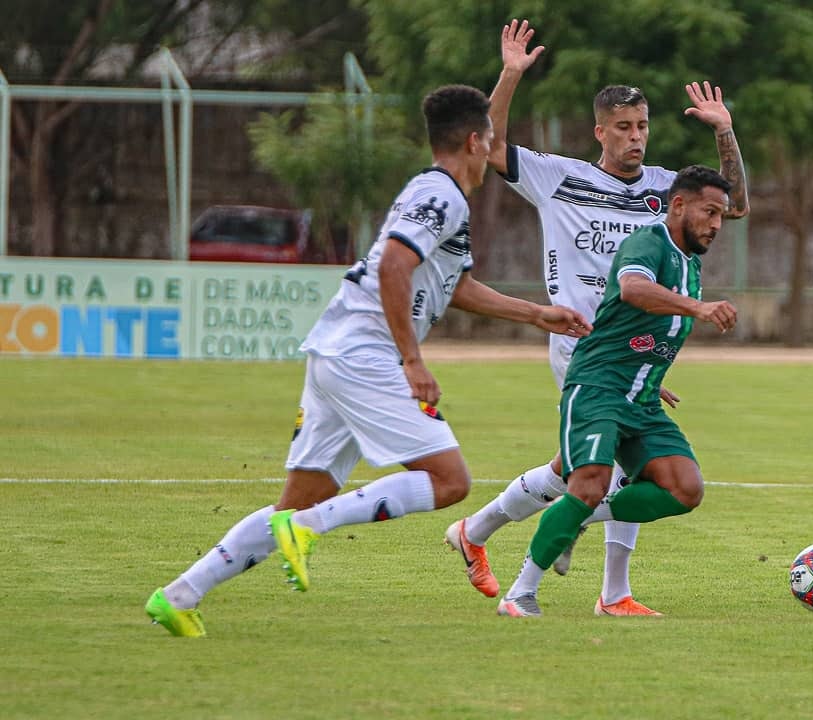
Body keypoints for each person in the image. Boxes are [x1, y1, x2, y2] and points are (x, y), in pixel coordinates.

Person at [144, 83, 592, 637]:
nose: (493, 148)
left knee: (296, 501)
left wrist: (536, 314)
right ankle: (307, 528)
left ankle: (181, 593)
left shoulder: (440, 195)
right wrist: (411, 360)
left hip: (337, 349)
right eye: (491, 138)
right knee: (450, 481)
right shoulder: (442, 195)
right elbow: (393, 267)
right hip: (365, 353)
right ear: (476, 141)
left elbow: (456, 285)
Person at [444, 19, 749, 616]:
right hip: (577, 337)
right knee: (599, 471)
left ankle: (477, 531)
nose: (636, 138)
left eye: (643, 127)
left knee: (573, 472)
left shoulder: (668, 192)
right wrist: (509, 75)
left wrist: (724, 134)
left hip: (636, 343)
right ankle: (609, 591)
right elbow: (493, 145)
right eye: (624, 128)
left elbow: (732, 204)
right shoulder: (562, 178)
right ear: (600, 132)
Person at [496, 164, 737, 617]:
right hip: (598, 386)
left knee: (685, 489)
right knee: (588, 481)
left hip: (641, 398)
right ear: (679, 205)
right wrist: (699, 308)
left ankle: (578, 517)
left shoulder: (689, 260)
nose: (717, 224)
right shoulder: (649, 242)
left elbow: (648, 330)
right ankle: (520, 593)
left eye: (721, 215)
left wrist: (725, 130)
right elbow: (632, 289)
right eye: (710, 212)